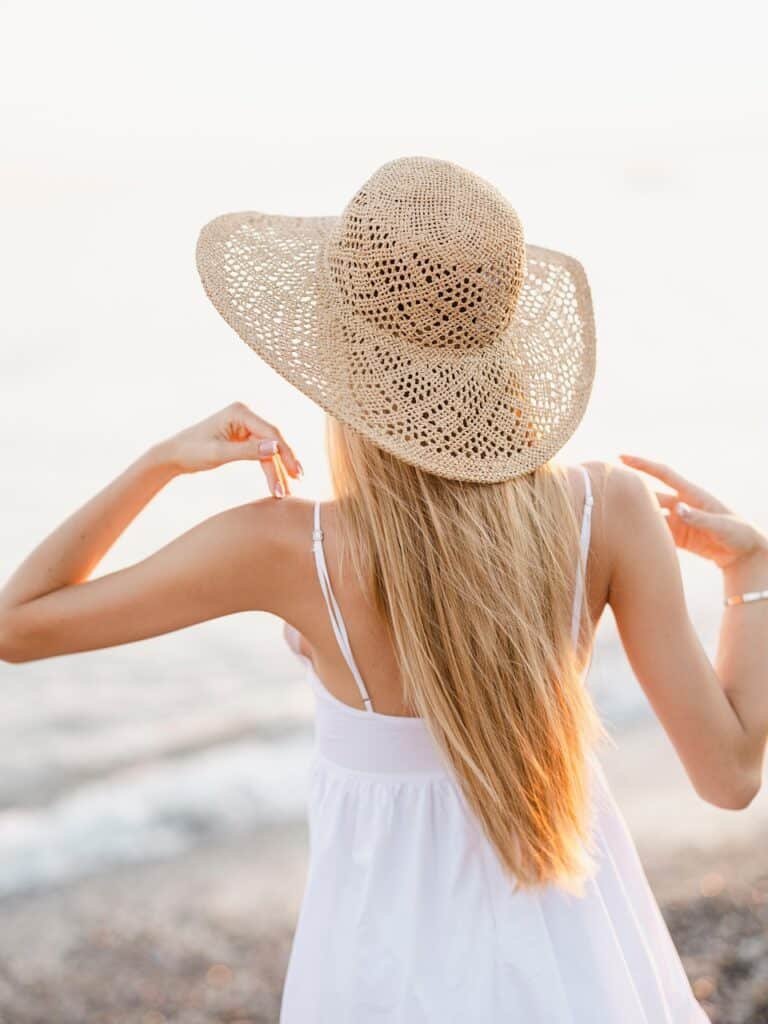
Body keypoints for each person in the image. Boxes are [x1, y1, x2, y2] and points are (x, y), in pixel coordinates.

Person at [0, 157, 765, 1023]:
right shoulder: (607, 509)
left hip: (374, 968)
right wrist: (751, 575)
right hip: (572, 946)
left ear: (336, 355)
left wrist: (162, 462)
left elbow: (20, 625)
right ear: (504, 348)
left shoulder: (291, 549)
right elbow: (732, 776)